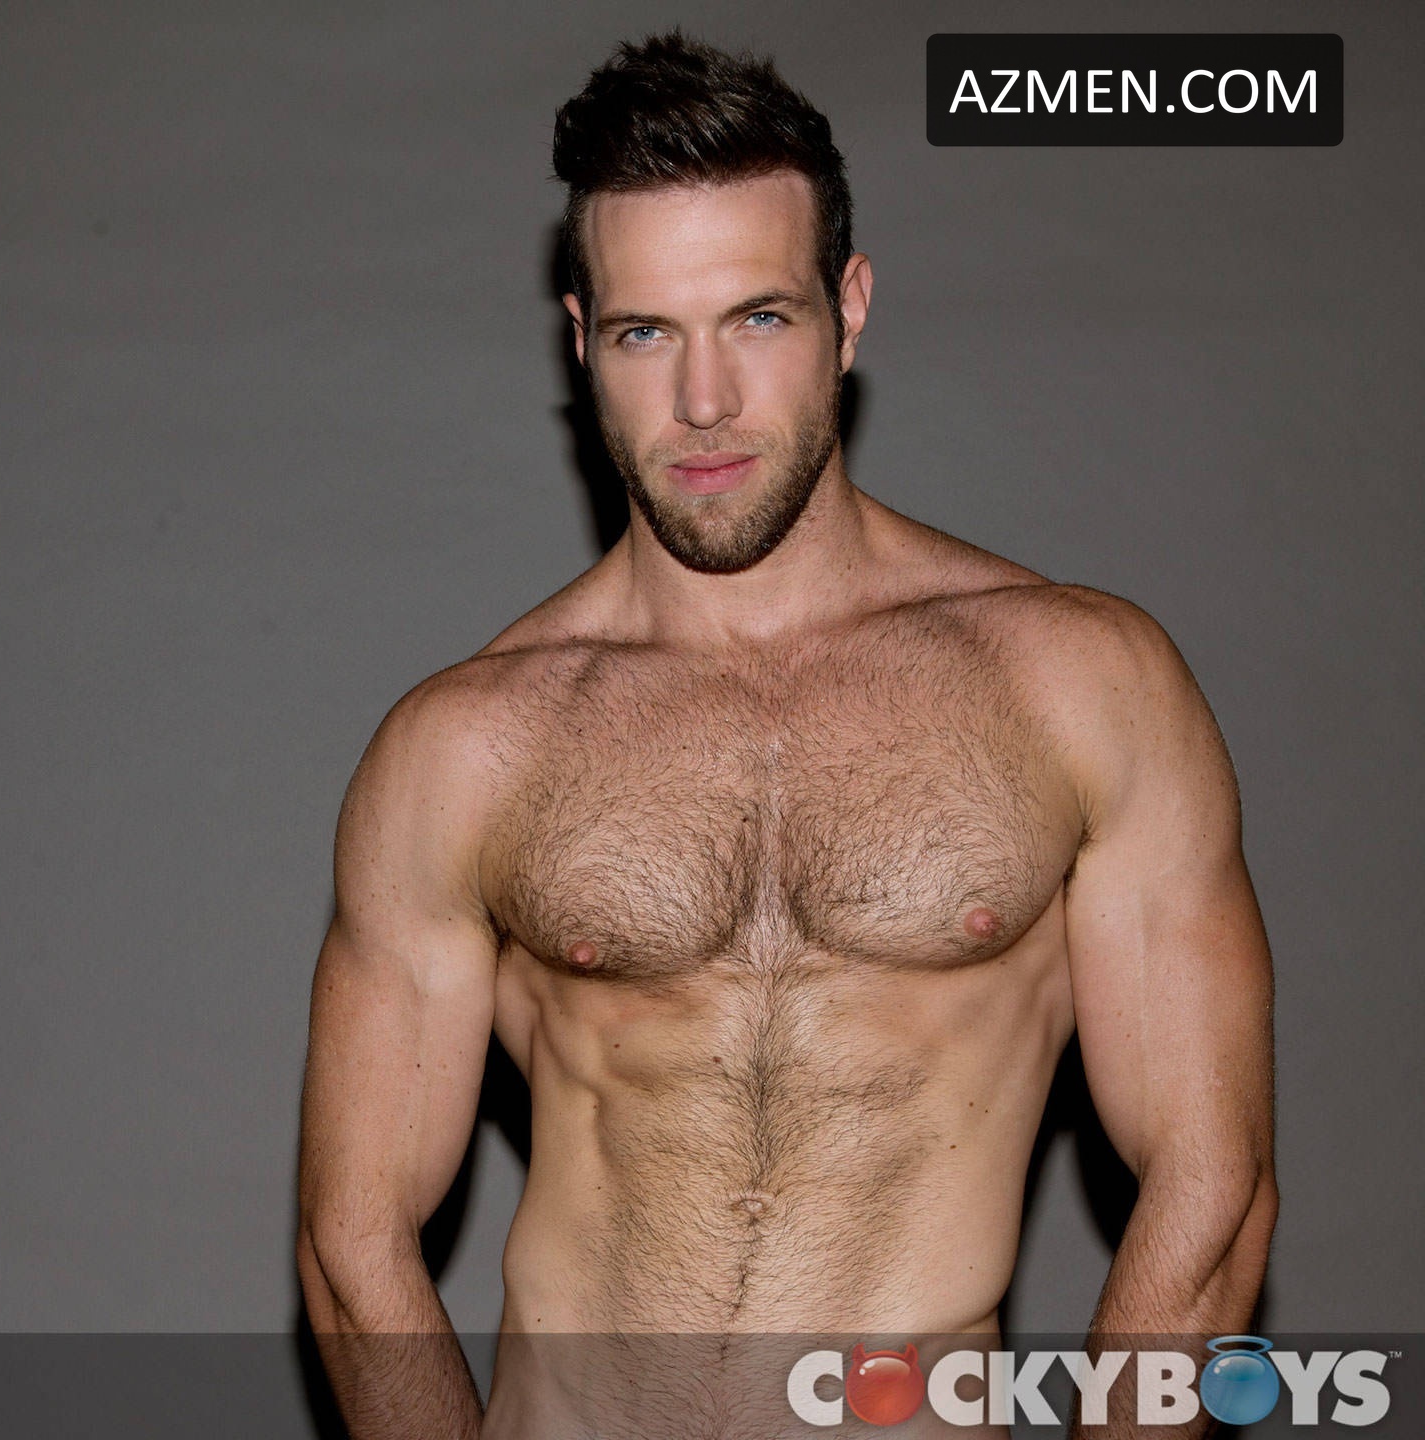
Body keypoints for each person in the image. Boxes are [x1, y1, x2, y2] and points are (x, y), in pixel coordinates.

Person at [294, 32, 1277, 1440]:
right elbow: (354, 1247)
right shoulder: (466, 749)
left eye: (757, 317)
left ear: (849, 309)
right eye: (646, 334)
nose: (704, 402)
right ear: (580, 340)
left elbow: (1211, 1185)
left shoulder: (1079, 685)